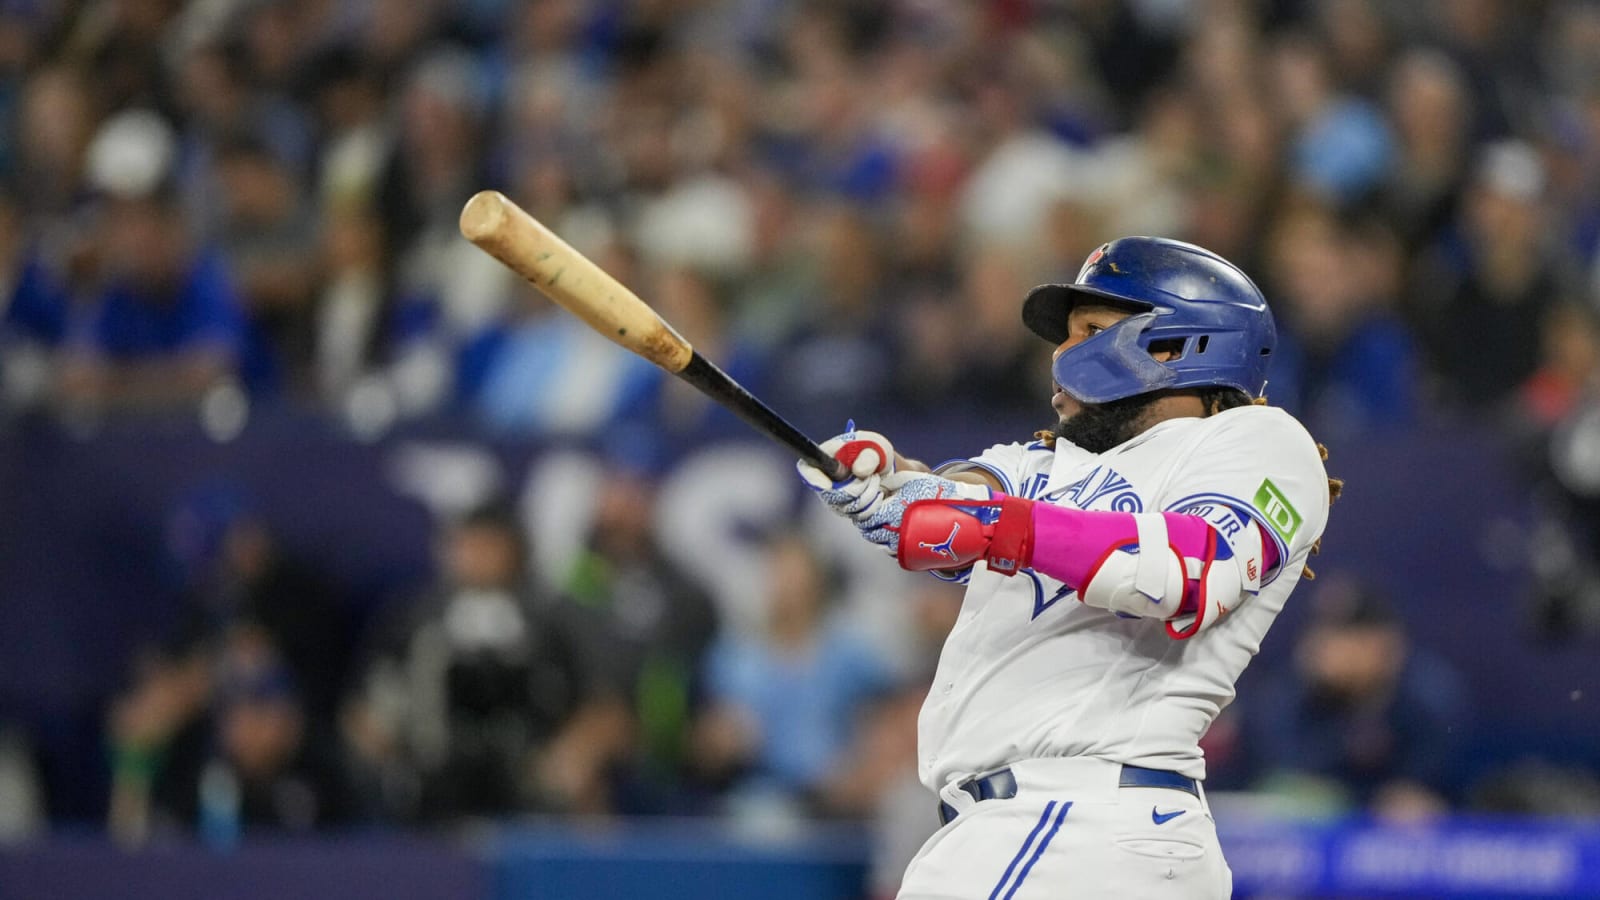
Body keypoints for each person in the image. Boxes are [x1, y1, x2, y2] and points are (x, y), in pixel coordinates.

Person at [797, 236, 1338, 898]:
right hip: (1064, 835)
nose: (1062, 354)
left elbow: (1190, 570)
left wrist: (992, 523)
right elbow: (958, 495)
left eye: (1090, 330)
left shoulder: (1256, 440)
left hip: (1077, 818)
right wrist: (887, 481)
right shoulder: (1047, 464)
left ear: (1178, 343)